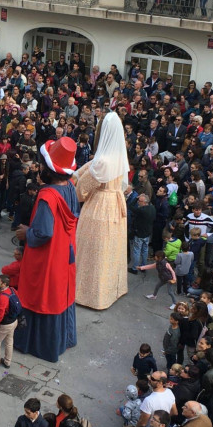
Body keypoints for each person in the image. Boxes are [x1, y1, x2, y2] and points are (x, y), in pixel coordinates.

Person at [14, 137, 81, 363]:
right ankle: (65, 339)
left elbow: (43, 232)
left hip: (48, 258)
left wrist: (27, 233)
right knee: (62, 295)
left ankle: (38, 346)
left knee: (41, 297)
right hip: (66, 253)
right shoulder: (70, 188)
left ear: (48, 170)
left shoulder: (47, 195)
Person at [74, 112, 129, 310]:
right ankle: (112, 289)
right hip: (116, 204)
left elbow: (81, 189)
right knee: (111, 249)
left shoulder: (103, 160)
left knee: (92, 250)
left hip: (100, 205)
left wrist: (77, 181)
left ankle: (89, 294)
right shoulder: (119, 157)